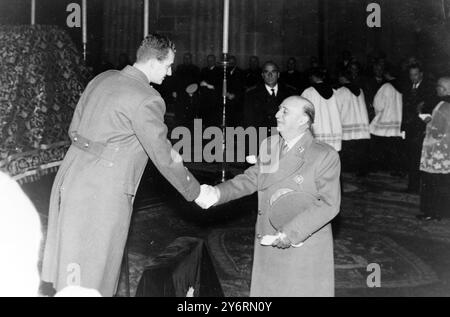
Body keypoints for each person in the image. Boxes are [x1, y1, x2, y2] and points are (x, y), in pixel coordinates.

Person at [41, 34, 204, 296]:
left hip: (70, 178)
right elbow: (164, 156)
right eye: (167, 65)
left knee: (73, 263)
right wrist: (196, 191)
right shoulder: (147, 98)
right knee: (96, 269)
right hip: (103, 191)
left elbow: (74, 129)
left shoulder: (101, 79)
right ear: (153, 62)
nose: (170, 72)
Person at [197, 96, 341, 296]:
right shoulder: (269, 145)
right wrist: (217, 193)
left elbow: (329, 204)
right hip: (269, 235)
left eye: (285, 111)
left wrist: (290, 234)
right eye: (279, 109)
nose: (276, 114)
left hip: (302, 240)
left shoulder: (324, 155)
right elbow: (252, 178)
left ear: (303, 120)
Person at [417, 77, 450, 221]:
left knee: (431, 182)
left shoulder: (442, 106)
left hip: (436, 151)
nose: (436, 88)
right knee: (443, 182)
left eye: (439, 86)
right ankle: (442, 212)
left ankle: (431, 212)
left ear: (444, 89)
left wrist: (421, 115)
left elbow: (436, 130)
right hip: (447, 151)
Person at [401, 63, 436, 192]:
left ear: (421, 74)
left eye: (415, 74)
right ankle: (413, 185)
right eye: (410, 75)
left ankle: (416, 186)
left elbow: (430, 108)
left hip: (421, 129)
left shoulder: (429, 89)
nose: (413, 77)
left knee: (418, 158)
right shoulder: (408, 87)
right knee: (411, 157)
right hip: (410, 128)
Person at [335, 71, 370, 176]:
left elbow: (337, 108)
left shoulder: (341, 91)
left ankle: (350, 169)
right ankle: (361, 171)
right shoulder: (360, 90)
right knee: (360, 150)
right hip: (360, 124)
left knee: (349, 150)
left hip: (348, 124)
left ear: (342, 78)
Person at [301, 67, 342, 152]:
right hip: (334, 131)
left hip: (317, 131)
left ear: (312, 77)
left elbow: (302, 112)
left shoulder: (308, 92)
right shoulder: (335, 92)